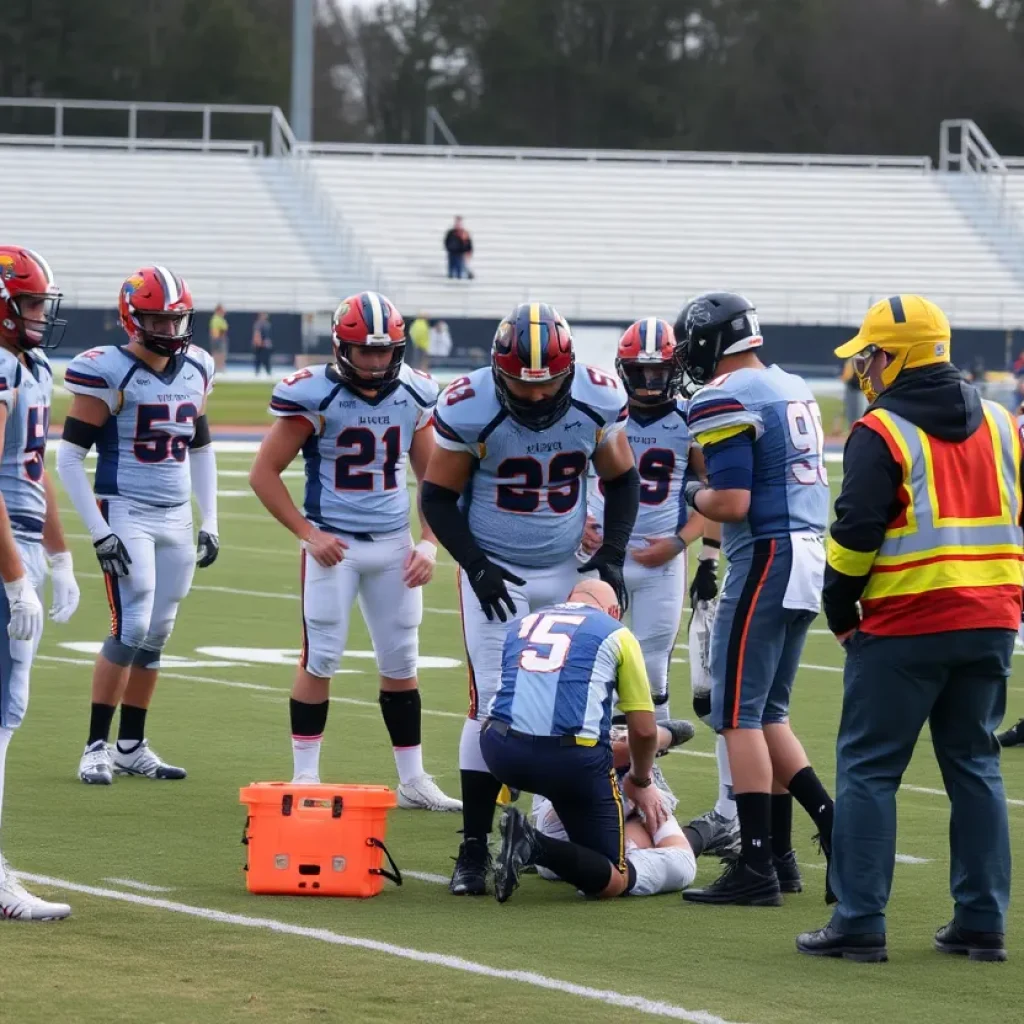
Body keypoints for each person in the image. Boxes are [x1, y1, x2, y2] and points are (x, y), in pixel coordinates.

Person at [797, 295, 1021, 964]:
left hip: (904, 623)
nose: (864, 368)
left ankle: (860, 921)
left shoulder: (882, 430)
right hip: (990, 622)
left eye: (870, 355)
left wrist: (839, 610)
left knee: (869, 769)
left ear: (896, 356)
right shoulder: (1004, 423)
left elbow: (855, 535)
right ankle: (982, 920)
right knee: (976, 764)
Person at [422, 302, 639, 896]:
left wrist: (611, 555)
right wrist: (476, 565)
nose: (536, 396)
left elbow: (622, 481)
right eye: (521, 381)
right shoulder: (470, 407)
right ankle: (472, 846)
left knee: (570, 701)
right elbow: (437, 498)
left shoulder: (596, 399)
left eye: (547, 383)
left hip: (566, 570)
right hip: (497, 571)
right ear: (498, 371)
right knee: (491, 703)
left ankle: (549, 828)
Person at [249, 291, 459, 811]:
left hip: (393, 544)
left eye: (385, 351)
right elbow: (263, 473)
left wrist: (430, 544)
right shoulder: (313, 395)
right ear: (343, 348)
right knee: (320, 657)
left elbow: (432, 481)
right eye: (366, 352)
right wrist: (308, 533)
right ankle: (305, 776)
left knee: (401, 658)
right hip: (333, 545)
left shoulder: (414, 393)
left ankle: (412, 779)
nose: (377, 361)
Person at [675, 292, 835, 907]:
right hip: (806, 551)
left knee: (736, 712)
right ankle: (815, 840)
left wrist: (692, 494)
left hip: (767, 553)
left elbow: (733, 501)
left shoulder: (723, 396)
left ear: (714, 342)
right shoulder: (790, 384)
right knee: (768, 712)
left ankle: (759, 866)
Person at [581, 318, 738, 858]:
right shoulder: (604, 413)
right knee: (596, 663)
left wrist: (683, 542)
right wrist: (580, 521)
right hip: (604, 555)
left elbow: (712, 490)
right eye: (640, 370)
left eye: (657, 370)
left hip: (661, 558)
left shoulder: (688, 419)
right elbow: (571, 473)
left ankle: (648, 777)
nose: (649, 380)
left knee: (650, 667)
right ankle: (601, 775)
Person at [58, 266, 219, 785]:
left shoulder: (197, 366)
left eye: (176, 321)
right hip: (126, 508)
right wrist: (99, 531)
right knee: (129, 626)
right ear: (132, 318)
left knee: (159, 632)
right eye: (158, 320)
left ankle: (131, 746)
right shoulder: (108, 370)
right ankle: (94, 747)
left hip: (175, 513)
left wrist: (210, 517)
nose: (171, 331)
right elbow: (68, 458)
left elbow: (200, 446)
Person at [485, 579, 712, 903]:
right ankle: (534, 844)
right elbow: (646, 733)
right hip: (573, 767)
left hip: (501, 752)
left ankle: (477, 847)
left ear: (569, 600)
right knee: (641, 870)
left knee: (565, 863)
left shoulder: (524, 624)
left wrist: (665, 738)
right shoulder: (614, 633)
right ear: (615, 612)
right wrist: (644, 773)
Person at [0, 246, 78, 920]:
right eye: (26, 303)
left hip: (20, 543)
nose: (36, 316)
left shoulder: (33, 367)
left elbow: (34, 468)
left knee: (8, 713)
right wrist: (16, 576)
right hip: (2, 552)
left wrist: (60, 556)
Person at [209, 304, 228, 373]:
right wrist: (219, 337)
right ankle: (219, 367)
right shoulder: (216, 319)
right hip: (218, 338)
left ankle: (219, 367)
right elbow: (215, 330)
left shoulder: (218, 318)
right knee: (219, 353)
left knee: (219, 353)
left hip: (218, 338)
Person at [252, 312, 272, 377]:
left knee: (266, 359)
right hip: (260, 344)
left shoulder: (267, 324)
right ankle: (257, 372)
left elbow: (268, 335)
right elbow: (256, 333)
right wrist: (259, 342)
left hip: (266, 344)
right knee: (258, 359)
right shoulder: (258, 324)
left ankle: (268, 372)